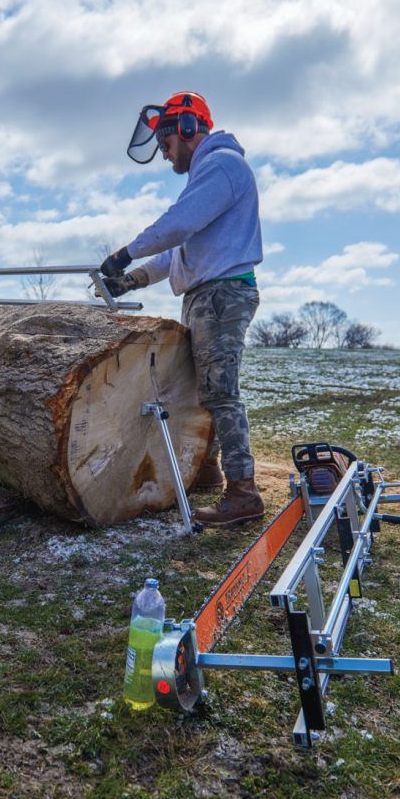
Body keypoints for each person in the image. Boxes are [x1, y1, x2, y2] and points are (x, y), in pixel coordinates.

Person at [99, 92, 263, 526]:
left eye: (167, 145)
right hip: (206, 293)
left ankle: (244, 493)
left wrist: (125, 253)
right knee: (203, 386)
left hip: (223, 293)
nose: (166, 155)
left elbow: (176, 226)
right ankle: (206, 469)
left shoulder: (222, 165)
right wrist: (132, 277)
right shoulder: (207, 176)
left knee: (220, 391)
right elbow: (180, 252)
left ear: (187, 130)